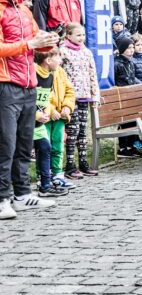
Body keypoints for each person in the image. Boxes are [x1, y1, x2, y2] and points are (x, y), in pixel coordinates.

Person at [0, 0, 59, 219]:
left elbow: (35, 38)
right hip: (6, 85)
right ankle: (2, 198)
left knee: (24, 144)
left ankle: (22, 194)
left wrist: (49, 42)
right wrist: (30, 44)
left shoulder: (24, 9)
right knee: (5, 144)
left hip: (28, 84)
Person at [59, 22, 100, 179]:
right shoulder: (63, 52)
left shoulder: (87, 52)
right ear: (68, 36)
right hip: (70, 98)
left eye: (83, 35)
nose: (81, 38)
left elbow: (92, 74)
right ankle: (70, 164)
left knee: (83, 131)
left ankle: (83, 162)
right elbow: (59, 75)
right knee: (73, 131)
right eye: (78, 35)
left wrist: (95, 96)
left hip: (85, 96)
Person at [34, 47, 76, 193]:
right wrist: (51, 111)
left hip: (60, 116)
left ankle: (57, 174)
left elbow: (70, 90)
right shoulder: (38, 74)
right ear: (48, 59)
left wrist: (67, 107)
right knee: (45, 147)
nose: (61, 60)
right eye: (58, 57)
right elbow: (42, 98)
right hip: (45, 117)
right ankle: (44, 177)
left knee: (58, 146)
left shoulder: (60, 71)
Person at [113, 37, 141, 158]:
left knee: (133, 121)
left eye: (132, 47)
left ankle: (131, 145)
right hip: (121, 96)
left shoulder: (130, 62)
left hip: (131, 96)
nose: (131, 50)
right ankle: (123, 147)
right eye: (128, 48)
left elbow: (132, 78)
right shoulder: (116, 63)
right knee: (124, 123)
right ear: (122, 49)